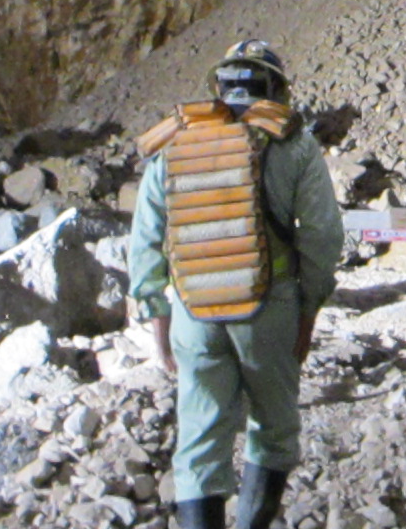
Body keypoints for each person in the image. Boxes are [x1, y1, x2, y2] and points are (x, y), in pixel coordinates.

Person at [129, 40, 345, 529]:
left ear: (220, 86)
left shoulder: (176, 140)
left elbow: (145, 236)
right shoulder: (292, 142)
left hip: (193, 311)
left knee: (199, 441)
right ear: (276, 87)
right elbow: (322, 235)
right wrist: (309, 308)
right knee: (272, 430)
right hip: (267, 312)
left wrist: (156, 316)